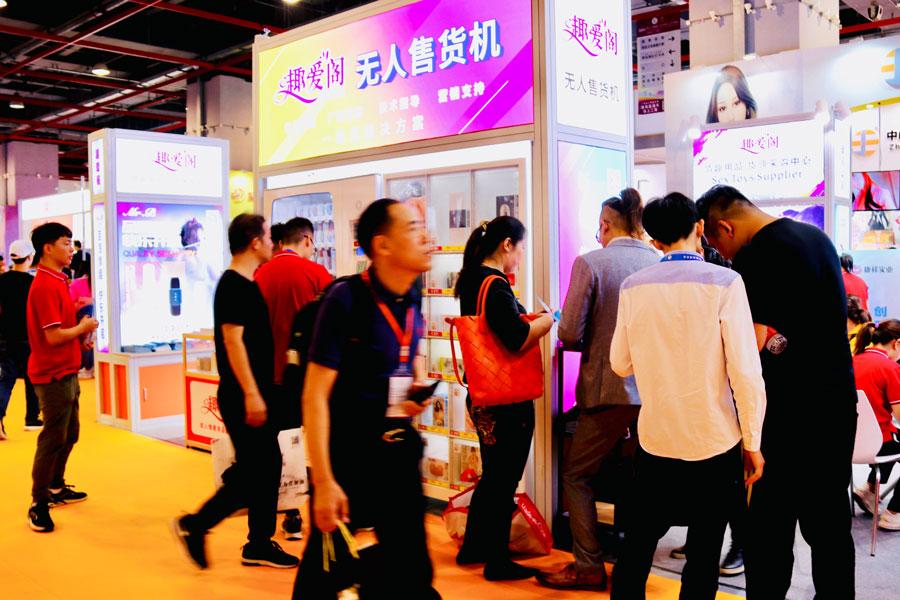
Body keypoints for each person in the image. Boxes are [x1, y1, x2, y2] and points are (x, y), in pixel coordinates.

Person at [697, 185, 857, 599]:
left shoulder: (756, 256)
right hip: (837, 402)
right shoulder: (817, 238)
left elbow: (751, 343)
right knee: (830, 528)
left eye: (715, 243)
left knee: (770, 529)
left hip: (784, 412)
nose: (721, 254)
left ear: (725, 228)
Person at [608, 193, 766, 600]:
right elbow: (746, 372)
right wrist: (753, 441)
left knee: (639, 543)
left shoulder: (633, 286)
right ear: (699, 228)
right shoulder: (726, 283)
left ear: (655, 240)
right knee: (704, 549)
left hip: (656, 437)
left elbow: (620, 363)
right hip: (714, 439)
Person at [293, 198, 440, 599]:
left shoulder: (411, 293)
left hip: (398, 452)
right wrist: (323, 482)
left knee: (413, 573)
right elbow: (314, 396)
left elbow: (403, 358)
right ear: (382, 245)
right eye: (412, 228)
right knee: (324, 571)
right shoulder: (345, 300)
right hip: (349, 458)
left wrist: (413, 390)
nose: (426, 236)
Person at [537, 189, 657, 591]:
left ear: (605, 225)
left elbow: (571, 333)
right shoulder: (657, 262)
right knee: (640, 479)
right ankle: (634, 566)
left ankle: (588, 565)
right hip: (653, 393)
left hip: (608, 390)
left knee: (577, 475)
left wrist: (558, 319)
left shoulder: (591, 262)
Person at [171, 214, 298, 570]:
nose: (273, 243)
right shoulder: (233, 285)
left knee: (265, 466)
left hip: (253, 391)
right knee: (257, 470)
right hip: (243, 394)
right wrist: (252, 394)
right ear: (254, 242)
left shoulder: (246, 282)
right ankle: (196, 525)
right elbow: (233, 341)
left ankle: (257, 542)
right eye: (269, 237)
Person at [453, 217, 555, 582]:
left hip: (483, 395)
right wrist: (547, 321)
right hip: (507, 399)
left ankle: (474, 547)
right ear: (507, 244)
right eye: (521, 247)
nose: (521, 255)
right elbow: (516, 337)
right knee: (504, 479)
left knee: (492, 475)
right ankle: (497, 560)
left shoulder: (471, 279)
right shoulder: (495, 285)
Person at [255, 216, 331, 540]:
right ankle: (311, 513)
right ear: (308, 240)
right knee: (311, 445)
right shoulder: (317, 273)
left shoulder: (260, 274)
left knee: (277, 450)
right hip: (306, 379)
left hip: (267, 378)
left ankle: (288, 512)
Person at [26, 224, 99, 532]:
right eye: (66, 243)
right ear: (48, 248)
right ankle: (38, 502)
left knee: (70, 434)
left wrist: (80, 337)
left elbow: (60, 331)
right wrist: (82, 329)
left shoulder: (59, 280)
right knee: (53, 438)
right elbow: (53, 337)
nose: (72, 249)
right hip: (52, 373)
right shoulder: (45, 285)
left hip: (66, 368)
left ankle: (56, 486)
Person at [850, 319, 900, 530]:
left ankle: (869, 490)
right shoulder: (890, 367)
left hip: (846, 443)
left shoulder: (850, 361)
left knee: (891, 434)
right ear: (897, 343)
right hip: (877, 444)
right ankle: (894, 512)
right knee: (891, 436)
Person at [0, 240, 42, 440]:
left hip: (4, 337)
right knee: (31, 377)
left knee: (6, 378)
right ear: (30, 257)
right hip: (27, 337)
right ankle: (32, 418)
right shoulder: (33, 283)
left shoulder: (1, 280)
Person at [70, 258, 94, 379]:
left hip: (81, 316)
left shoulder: (76, 283)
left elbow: (70, 301)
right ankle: (92, 367)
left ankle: (87, 368)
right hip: (96, 316)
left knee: (84, 341)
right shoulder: (98, 282)